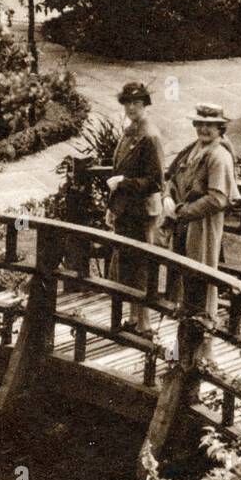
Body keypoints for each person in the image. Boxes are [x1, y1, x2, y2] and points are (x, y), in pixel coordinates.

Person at [163, 104, 239, 340]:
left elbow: (218, 199)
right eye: (201, 124)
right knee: (184, 274)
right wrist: (168, 197)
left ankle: (200, 332)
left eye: (211, 125)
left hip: (202, 226)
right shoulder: (193, 150)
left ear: (220, 128)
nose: (204, 129)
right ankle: (186, 325)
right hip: (183, 222)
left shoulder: (219, 156)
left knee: (200, 275)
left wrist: (182, 211)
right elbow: (172, 177)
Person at [105, 81, 165, 338]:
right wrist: (112, 205)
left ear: (145, 104)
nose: (131, 107)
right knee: (127, 265)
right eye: (127, 103)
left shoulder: (149, 135)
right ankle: (132, 318)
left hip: (141, 211)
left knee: (140, 267)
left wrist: (124, 183)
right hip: (126, 209)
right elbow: (120, 169)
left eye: (137, 103)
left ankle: (145, 324)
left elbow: (155, 181)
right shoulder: (130, 131)